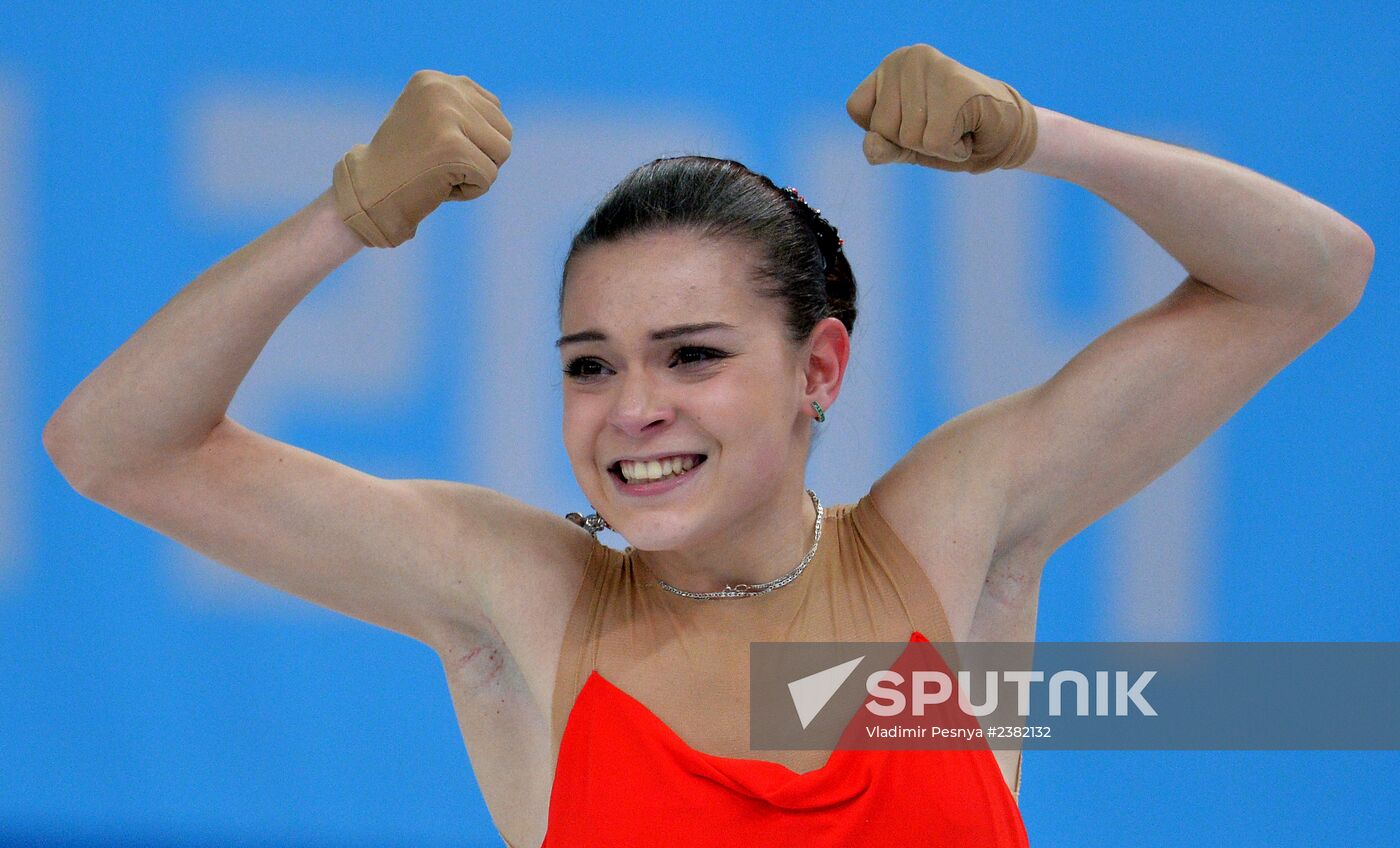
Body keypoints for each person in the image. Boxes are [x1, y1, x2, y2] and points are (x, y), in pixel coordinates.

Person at [41, 43, 1373, 848]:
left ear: (820, 369)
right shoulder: (528, 601)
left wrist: (1040, 139)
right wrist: (346, 214)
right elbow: (115, 448)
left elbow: (1310, 273)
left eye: (692, 355)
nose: (634, 409)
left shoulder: (947, 543)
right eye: (589, 366)